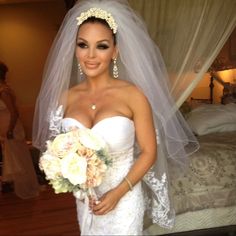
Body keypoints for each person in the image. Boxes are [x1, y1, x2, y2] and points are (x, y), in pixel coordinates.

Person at [33, 0, 199, 235]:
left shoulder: (133, 95)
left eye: (101, 46)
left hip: (124, 200)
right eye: (83, 45)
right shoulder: (65, 98)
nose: (90, 55)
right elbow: (59, 151)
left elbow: (149, 152)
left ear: (115, 51)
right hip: (87, 201)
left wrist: (118, 193)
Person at [0, 61, 39, 199]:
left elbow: (14, 113)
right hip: (7, 128)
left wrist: (10, 130)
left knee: (19, 160)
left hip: (12, 129)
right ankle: (21, 188)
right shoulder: (4, 88)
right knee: (16, 159)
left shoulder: (4, 91)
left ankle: (26, 189)